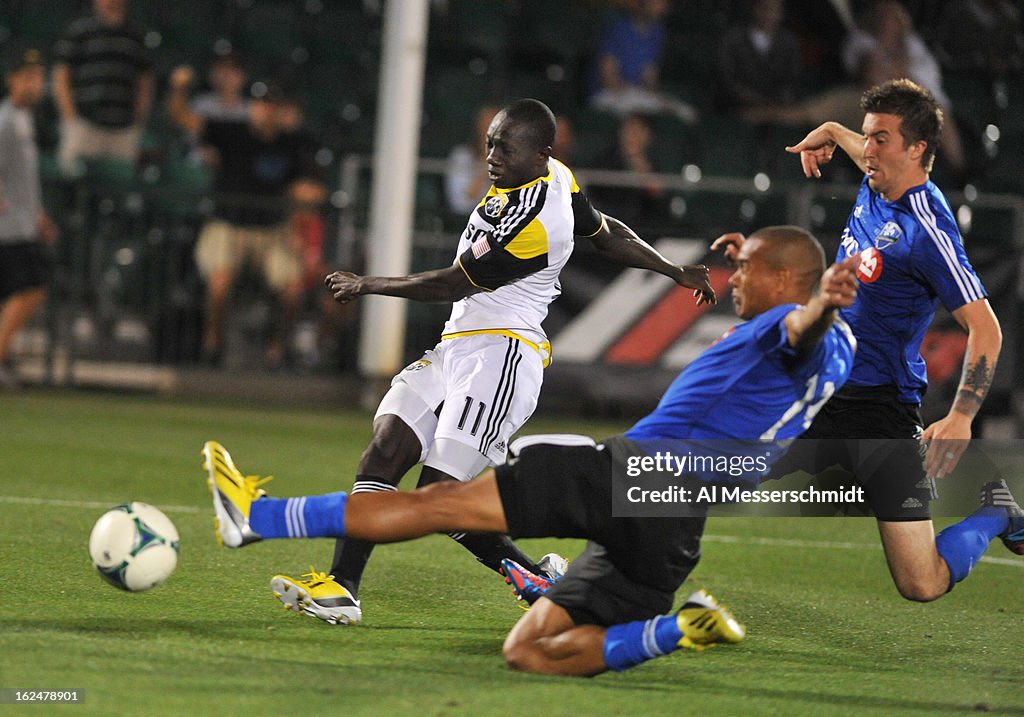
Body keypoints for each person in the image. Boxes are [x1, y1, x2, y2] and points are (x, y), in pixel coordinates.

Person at [203, 225, 872, 676]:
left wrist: (819, 305)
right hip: (674, 525)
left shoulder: (791, 325)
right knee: (528, 649)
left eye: (747, 268)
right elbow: (806, 335)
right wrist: (810, 299)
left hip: (629, 474)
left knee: (439, 502)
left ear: (788, 278)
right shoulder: (840, 353)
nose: (732, 278)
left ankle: (256, 519)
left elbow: (798, 328)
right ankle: (680, 629)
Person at [261, 99, 717, 626]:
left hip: (501, 354)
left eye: (505, 146)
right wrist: (672, 268)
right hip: (457, 342)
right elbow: (604, 230)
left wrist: (369, 285)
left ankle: (537, 582)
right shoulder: (553, 178)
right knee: (383, 454)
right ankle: (342, 588)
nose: (492, 155)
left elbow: (454, 281)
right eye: (490, 143)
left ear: (541, 153)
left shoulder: (539, 222)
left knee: (438, 491)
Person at [714, 78, 1016, 604]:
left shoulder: (927, 232)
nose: (867, 149)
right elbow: (855, 143)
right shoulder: (879, 174)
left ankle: (1000, 511)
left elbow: (986, 328)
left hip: (879, 406)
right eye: (867, 136)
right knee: (703, 468)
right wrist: (830, 130)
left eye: (880, 139)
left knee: (921, 583)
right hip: (814, 379)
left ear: (917, 149)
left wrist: (963, 416)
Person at [168, 66, 315, 368]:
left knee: (291, 287)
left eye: (271, 105)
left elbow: (305, 190)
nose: (264, 111)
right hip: (228, 224)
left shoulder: (292, 143)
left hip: (272, 228)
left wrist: (299, 227)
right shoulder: (232, 132)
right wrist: (178, 90)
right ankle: (213, 344)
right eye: (259, 104)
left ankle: (277, 350)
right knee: (219, 281)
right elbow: (183, 119)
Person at [0, 49, 59, 390]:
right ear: (12, 80)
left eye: (38, 77)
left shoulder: (26, 118)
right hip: (8, 227)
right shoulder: (6, 118)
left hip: (23, 223)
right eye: (28, 76)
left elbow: (24, 177)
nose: (34, 83)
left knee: (28, 289)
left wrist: (38, 214)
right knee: (30, 289)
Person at [52, 0, 154, 175]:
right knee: (70, 178)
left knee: (119, 188)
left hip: (123, 129)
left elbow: (145, 82)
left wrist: (138, 122)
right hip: (84, 125)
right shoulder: (79, 31)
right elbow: (61, 76)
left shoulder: (137, 35)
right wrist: (70, 118)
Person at [587, 0, 698, 124]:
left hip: (637, 96)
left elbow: (650, 76)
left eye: (663, 5)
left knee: (686, 112)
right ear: (644, 3)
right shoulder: (618, 29)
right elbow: (608, 78)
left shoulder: (658, 33)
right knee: (639, 110)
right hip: (605, 95)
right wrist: (639, 96)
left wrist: (656, 98)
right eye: (656, 3)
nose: (659, 9)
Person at [444, 104, 499, 215]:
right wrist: (485, 167)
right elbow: (460, 204)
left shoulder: (514, 160)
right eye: (485, 126)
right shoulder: (461, 156)